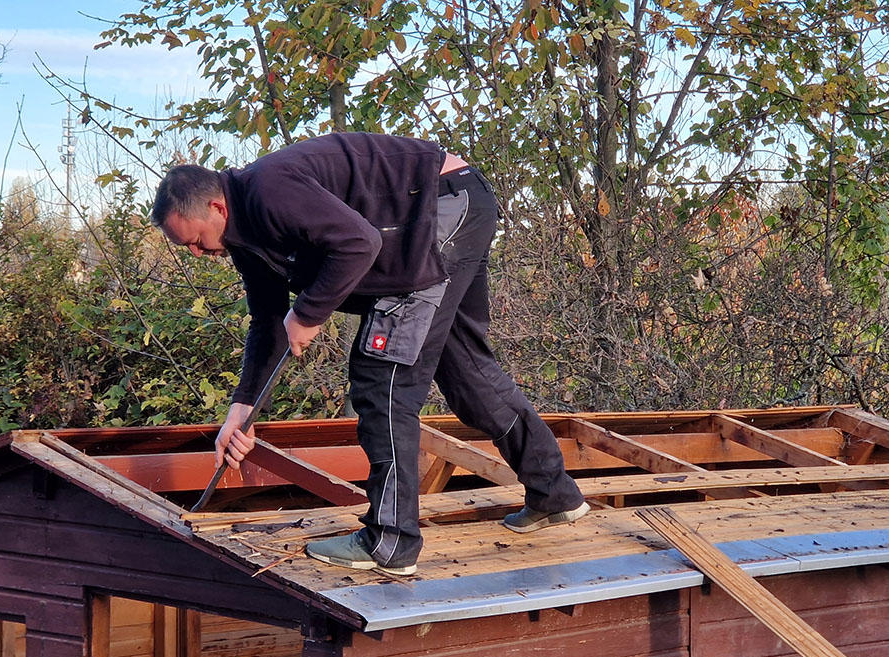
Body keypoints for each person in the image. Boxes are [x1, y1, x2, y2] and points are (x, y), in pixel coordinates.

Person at [151, 132, 589, 575]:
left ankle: (391, 541)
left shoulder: (269, 189)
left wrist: (308, 312)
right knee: (467, 372)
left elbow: (360, 242)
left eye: (196, 240)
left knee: (383, 378)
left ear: (217, 208)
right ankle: (554, 494)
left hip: (439, 209)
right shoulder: (246, 241)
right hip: (450, 207)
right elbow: (268, 324)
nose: (198, 253)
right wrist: (240, 411)